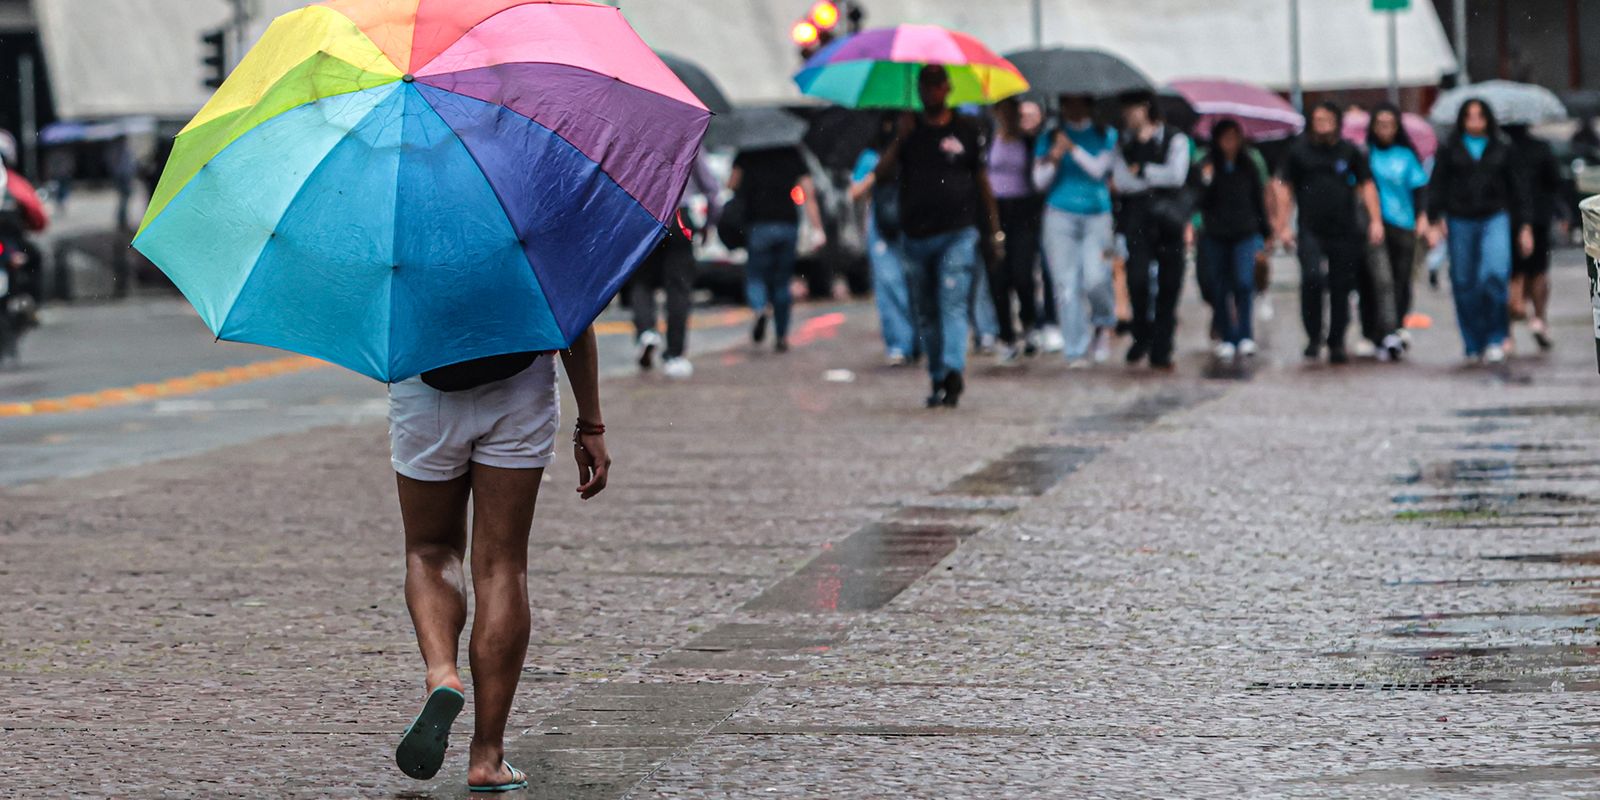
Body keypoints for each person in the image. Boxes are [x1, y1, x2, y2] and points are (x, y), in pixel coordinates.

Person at [389, 336, 610, 792]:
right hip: (520, 383)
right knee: (502, 565)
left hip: (425, 382)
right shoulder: (532, 256)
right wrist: (591, 422)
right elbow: (576, 318)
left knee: (430, 549)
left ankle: (441, 673)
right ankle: (487, 757)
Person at [875, 65, 1003, 408]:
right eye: (925, 86)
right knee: (927, 312)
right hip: (916, 235)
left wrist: (994, 230)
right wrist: (900, 137)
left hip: (958, 232)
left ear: (947, 88)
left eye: (937, 85)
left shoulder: (966, 128)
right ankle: (937, 376)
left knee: (953, 303)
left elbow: (982, 182)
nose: (931, 92)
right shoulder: (910, 130)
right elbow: (882, 175)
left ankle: (952, 368)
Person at [1273, 103, 1387, 364]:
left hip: (1345, 229)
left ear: (1337, 121)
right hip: (1310, 228)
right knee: (1312, 278)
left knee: (1341, 286)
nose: (1322, 124)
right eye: (1317, 119)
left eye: (1327, 119)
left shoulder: (1350, 151)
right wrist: (1282, 225)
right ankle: (1314, 336)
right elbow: (1284, 187)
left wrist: (1375, 220)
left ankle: (1336, 340)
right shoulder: (1298, 151)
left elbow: (1366, 185)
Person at [1427, 99, 1534, 365]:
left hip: (1494, 216)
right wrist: (1433, 219)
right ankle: (1473, 341)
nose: (1475, 121)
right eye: (1469, 116)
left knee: (1494, 274)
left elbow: (1519, 189)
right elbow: (1437, 184)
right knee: (1464, 282)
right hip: (1459, 218)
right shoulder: (1450, 147)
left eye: (1480, 116)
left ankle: (1497, 337)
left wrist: (1525, 226)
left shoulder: (1503, 146)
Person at [1033, 94, 1118, 367]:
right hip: (1059, 213)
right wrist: (1055, 156)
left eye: (1078, 101)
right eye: (1067, 102)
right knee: (1066, 284)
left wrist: (1073, 149)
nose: (1073, 108)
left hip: (1097, 215)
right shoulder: (1049, 136)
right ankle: (1076, 348)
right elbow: (1039, 181)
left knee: (1096, 278)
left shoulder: (1106, 134)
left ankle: (1103, 322)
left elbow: (1099, 171)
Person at [1113, 92, 1192, 369]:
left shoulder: (1175, 139)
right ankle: (1141, 334)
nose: (1127, 116)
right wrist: (1153, 177)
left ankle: (1163, 343)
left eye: (1130, 109)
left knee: (1170, 283)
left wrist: (1144, 170)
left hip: (1168, 219)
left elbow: (1176, 175)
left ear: (1145, 109)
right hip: (1136, 220)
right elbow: (1122, 182)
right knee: (1137, 280)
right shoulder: (1123, 143)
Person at [631, 155, 720, 379]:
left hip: (643, 215)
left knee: (641, 280)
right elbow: (712, 190)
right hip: (680, 215)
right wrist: (709, 224)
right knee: (678, 287)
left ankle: (646, 332)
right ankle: (674, 355)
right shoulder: (689, 132)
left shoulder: (635, 133)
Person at [729, 146, 823, 353]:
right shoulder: (791, 151)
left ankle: (760, 307)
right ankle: (781, 335)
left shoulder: (748, 151)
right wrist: (818, 229)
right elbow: (809, 192)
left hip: (758, 225)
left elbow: (732, 184)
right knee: (782, 281)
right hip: (787, 224)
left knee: (756, 276)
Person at [1193, 119, 1271, 361]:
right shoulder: (1206, 164)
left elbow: (1259, 199)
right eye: (1225, 137)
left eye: (1234, 137)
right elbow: (1197, 199)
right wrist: (1206, 179)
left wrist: (1265, 232)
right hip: (1215, 233)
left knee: (1244, 282)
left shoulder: (1249, 164)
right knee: (1219, 285)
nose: (1230, 143)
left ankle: (1245, 334)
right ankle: (1227, 335)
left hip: (1244, 232)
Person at [850, 114, 918, 366]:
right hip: (883, 227)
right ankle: (900, 343)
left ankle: (914, 341)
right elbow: (854, 191)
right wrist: (876, 176)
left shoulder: (915, 152)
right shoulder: (871, 157)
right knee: (890, 286)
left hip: (912, 225)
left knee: (912, 284)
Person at [1365, 102, 1430, 358]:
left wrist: (1423, 217)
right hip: (1377, 225)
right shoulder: (1365, 154)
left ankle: (1397, 325)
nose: (1385, 129)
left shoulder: (1406, 155)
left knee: (1402, 279)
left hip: (1404, 224)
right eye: (1380, 124)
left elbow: (1420, 188)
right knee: (1382, 280)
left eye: (1389, 125)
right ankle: (1385, 331)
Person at [983, 98, 1043, 364]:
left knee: (1022, 275)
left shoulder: (1029, 142)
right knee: (998, 277)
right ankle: (1006, 335)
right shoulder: (987, 139)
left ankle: (1029, 324)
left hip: (1022, 213)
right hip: (994, 213)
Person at [1505, 122, 1562, 352]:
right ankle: (1539, 319)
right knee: (1538, 270)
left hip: (1508, 217)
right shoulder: (1541, 148)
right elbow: (1555, 180)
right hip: (1539, 216)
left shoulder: (1500, 148)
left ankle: (1507, 331)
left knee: (1510, 273)